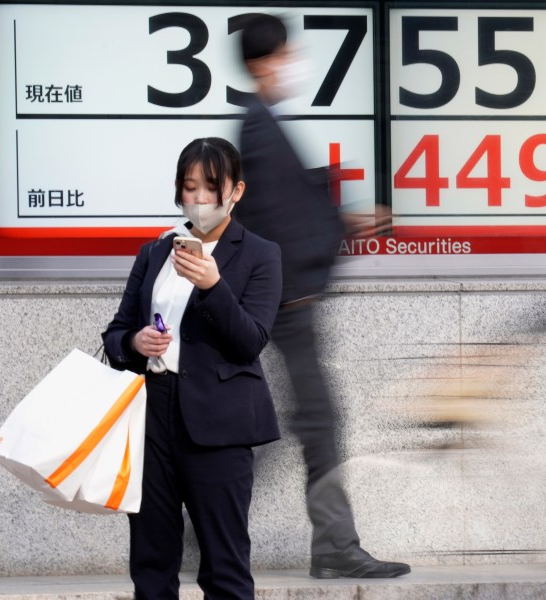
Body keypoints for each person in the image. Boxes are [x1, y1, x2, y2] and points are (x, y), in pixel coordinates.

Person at [233, 13, 410, 579]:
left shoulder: (263, 125)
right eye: (288, 54)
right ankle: (333, 546)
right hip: (290, 305)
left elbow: (291, 210)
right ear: (266, 62)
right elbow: (281, 223)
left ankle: (205, 522)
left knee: (299, 425)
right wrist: (337, 232)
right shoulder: (259, 130)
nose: (294, 64)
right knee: (319, 421)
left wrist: (347, 221)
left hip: (288, 302)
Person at [102, 137, 282, 599]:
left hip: (219, 422)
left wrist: (213, 286)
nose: (199, 200)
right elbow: (116, 332)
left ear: (236, 191)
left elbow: (250, 342)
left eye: (210, 188)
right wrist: (136, 342)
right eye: (189, 188)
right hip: (152, 418)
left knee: (224, 566)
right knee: (152, 562)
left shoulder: (260, 254)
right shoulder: (156, 251)